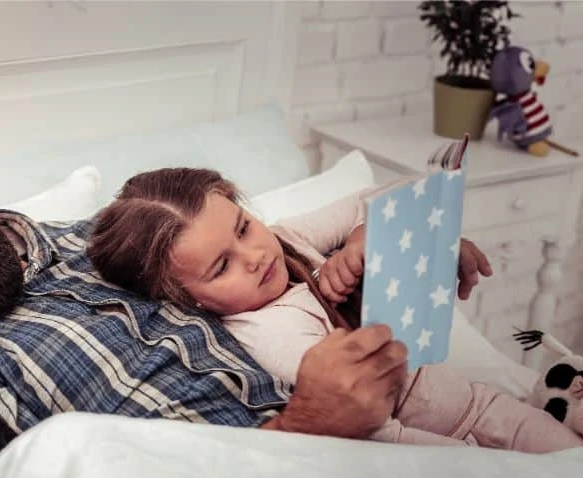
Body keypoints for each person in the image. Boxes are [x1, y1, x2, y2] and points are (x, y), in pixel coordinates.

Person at [0, 146, 409, 459]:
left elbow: (259, 261)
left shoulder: (100, 237)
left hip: (374, 436)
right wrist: (304, 428)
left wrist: (378, 259)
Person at [87, 167, 583, 451]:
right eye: (222, 267)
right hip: (455, 433)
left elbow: (391, 195)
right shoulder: (269, 335)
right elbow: (377, 428)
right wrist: (467, 459)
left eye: (243, 228)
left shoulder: (285, 239)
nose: (256, 255)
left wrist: (369, 236)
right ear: (188, 298)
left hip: (479, 399)